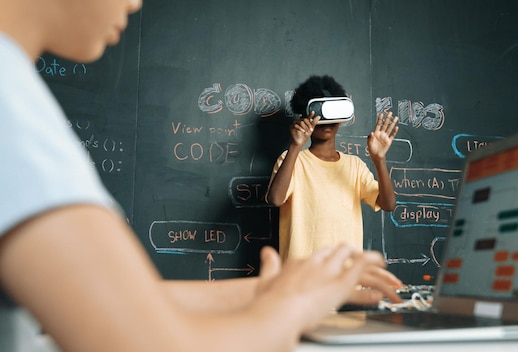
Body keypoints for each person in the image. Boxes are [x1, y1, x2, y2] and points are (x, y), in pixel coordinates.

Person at [0, 1, 403, 351]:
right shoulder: (11, 99)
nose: (137, 4)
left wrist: (265, 292)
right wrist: (295, 306)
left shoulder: (16, 90)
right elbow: (147, 341)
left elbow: (109, 302)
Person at [266, 75, 399, 261]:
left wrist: (379, 159)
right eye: (319, 112)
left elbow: (388, 204)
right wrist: (295, 145)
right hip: (301, 279)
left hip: (345, 278)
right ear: (306, 116)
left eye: (332, 111)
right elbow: (275, 199)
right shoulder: (293, 161)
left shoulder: (355, 166)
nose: (326, 120)